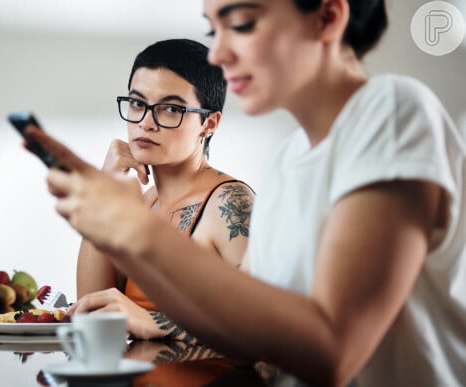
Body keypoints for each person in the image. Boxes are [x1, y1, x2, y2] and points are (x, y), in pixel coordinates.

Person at [26, 0, 466, 385]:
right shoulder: (287, 160)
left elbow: (334, 351)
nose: (218, 52)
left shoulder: (391, 110)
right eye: (212, 29)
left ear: (327, 17)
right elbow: (243, 342)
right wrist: (110, 227)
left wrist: (135, 231)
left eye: (240, 23)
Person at [66, 39, 255, 342]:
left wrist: (155, 322)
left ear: (209, 123)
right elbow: (94, 311)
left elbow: (270, 329)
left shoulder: (228, 203)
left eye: (170, 109)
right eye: (138, 103)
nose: (146, 122)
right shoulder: (145, 203)